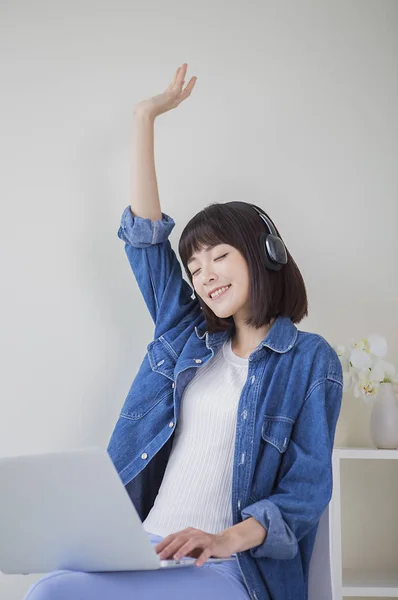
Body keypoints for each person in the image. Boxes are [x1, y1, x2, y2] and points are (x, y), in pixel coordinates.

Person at [24, 64, 343, 600]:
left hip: (229, 567)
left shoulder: (310, 361)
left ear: (267, 255)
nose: (206, 274)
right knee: (48, 592)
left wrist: (222, 540)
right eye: (195, 267)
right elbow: (147, 242)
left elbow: (304, 493)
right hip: (143, 550)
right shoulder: (186, 333)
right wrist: (144, 117)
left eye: (219, 255)